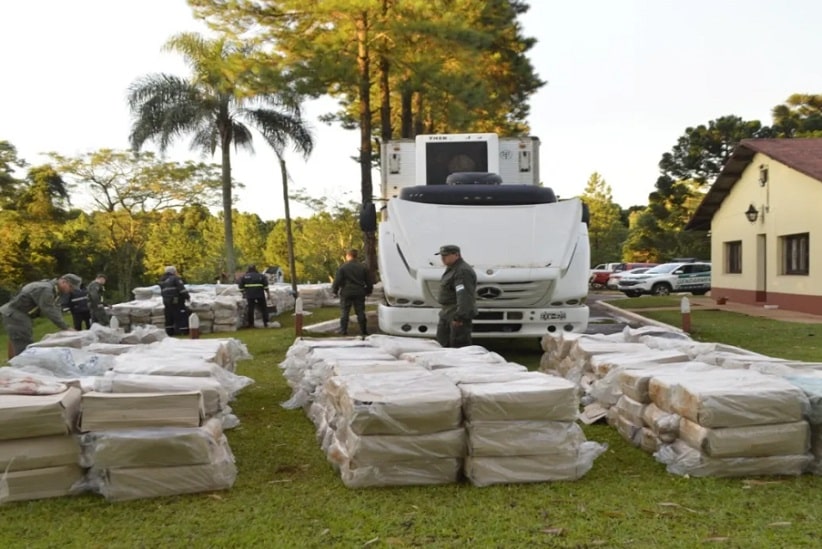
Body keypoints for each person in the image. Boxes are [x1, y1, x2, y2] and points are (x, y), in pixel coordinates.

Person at [0, 274, 81, 358]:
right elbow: (49, 310)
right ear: (64, 281)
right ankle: (23, 367)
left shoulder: (53, 289)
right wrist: (66, 327)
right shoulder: (46, 289)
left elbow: (55, 308)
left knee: (15, 338)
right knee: (24, 344)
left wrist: (65, 326)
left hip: (18, 314)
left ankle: (13, 362)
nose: (71, 290)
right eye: (71, 287)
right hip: (16, 314)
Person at [435, 245, 477, 348]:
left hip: (455, 313)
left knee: (457, 346)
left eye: (446, 255)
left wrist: (459, 317)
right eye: (442, 256)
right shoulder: (452, 269)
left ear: (456, 255)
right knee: (443, 344)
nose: (443, 258)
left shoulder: (462, 271)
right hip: (447, 312)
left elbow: (464, 296)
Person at [331, 249, 373, 337]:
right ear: (356, 256)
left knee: (345, 312)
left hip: (346, 291)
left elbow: (337, 280)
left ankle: (343, 331)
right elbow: (369, 281)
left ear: (348, 256)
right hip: (359, 291)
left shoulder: (343, 267)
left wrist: (334, 291)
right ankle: (363, 330)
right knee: (360, 312)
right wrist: (369, 291)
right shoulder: (363, 267)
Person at [159, 266, 190, 336]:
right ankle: (183, 330)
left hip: (166, 301)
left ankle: (170, 332)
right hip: (176, 300)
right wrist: (187, 297)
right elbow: (182, 289)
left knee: (169, 315)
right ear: (173, 272)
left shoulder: (162, 280)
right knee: (181, 314)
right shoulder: (176, 278)